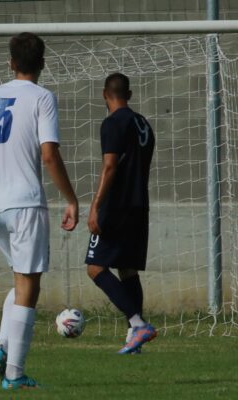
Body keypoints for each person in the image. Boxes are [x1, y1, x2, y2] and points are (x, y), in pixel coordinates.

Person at [0, 32, 79, 390]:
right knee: (29, 283)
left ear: (11, 63)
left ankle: (3, 350)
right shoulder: (42, 97)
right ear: (42, 63)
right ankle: (14, 373)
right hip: (25, 203)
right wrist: (71, 199)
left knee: (20, 280)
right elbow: (49, 154)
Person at [85, 72, 157, 354]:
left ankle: (138, 324)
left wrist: (95, 205)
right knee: (127, 269)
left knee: (95, 267)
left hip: (116, 206)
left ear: (105, 94)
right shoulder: (144, 124)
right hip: (139, 205)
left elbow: (110, 166)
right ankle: (134, 339)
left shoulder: (113, 123)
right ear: (130, 93)